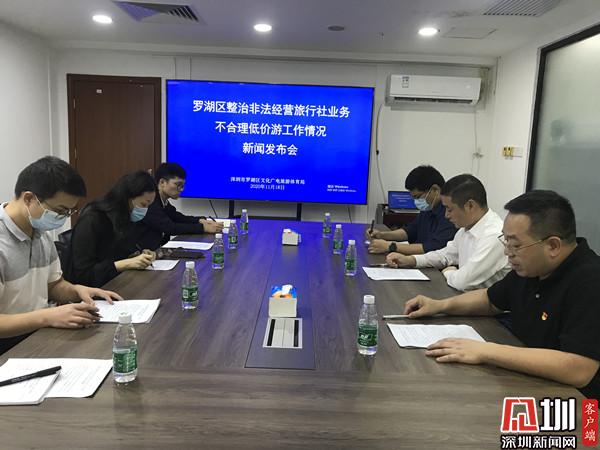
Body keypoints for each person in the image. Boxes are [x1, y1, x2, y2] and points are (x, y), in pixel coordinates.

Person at [403, 190, 600, 398]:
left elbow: (579, 369)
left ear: (552, 246)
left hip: (578, 403)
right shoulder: (533, 268)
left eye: (515, 245)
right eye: (505, 241)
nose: (507, 252)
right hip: (530, 381)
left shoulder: (590, 281)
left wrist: (486, 351)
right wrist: (440, 305)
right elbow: (490, 299)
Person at [0, 157, 121, 354]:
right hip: (8, 348)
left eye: (69, 212)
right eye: (59, 211)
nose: (63, 218)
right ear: (29, 198)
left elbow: (53, 285)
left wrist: (77, 290)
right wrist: (47, 316)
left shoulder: (40, 233)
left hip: (38, 335)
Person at [386, 174, 510, 291]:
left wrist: (448, 272)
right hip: (465, 297)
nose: (446, 215)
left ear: (470, 206)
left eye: (449, 209)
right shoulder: (467, 228)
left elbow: (462, 282)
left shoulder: (493, 236)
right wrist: (411, 260)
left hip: (485, 305)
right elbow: (445, 255)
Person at [67, 170, 157, 288]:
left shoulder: (124, 218)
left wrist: (139, 255)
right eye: (143, 205)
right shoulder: (93, 219)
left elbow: (120, 254)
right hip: (91, 290)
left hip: (116, 282)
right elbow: (84, 275)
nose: (144, 210)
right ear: (127, 197)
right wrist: (125, 264)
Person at [366, 165, 456, 255]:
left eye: (418, 197)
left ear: (435, 190)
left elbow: (433, 248)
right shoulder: (428, 208)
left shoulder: (450, 213)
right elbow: (410, 231)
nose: (417, 201)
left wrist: (390, 246)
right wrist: (382, 235)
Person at [137, 162, 223, 250]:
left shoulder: (163, 201)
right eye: (178, 185)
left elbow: (178, 217)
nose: (181, 189)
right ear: (162, 182)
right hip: (142, 253)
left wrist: (200, 220)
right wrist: (203, 228)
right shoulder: (150, 202)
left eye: (183, 185)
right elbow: (170, 227)